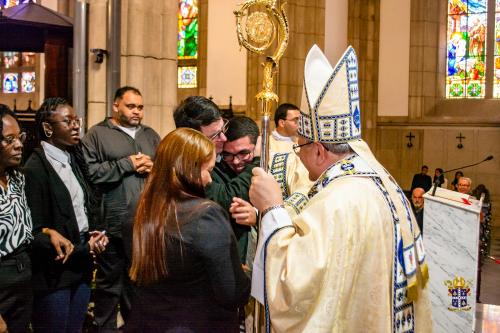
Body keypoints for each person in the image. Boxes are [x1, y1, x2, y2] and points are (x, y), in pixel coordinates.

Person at [248, 45, 432, 331]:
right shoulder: (382, 180)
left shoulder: (338, 201)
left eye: (300, 148)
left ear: (319, 150)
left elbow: (294, 286)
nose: (298, 155)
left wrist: (271, 209)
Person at [126, 128, 250, 332]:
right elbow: (232, 294)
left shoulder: (137, 206)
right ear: (188, 169)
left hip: (146, 322)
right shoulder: (205, 214)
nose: (210, 180)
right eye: (207, 171)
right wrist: (243, 274)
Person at [23, 98, 108, 332]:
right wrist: (83, 248)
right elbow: (36, 231)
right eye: (68, 121)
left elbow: (84, 207)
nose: (75, 126)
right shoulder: (35, 169)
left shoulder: (73, 159)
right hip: (53, 275)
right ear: (48, 128)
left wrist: (96, 234)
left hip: (79, 266)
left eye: (76, 120)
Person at [81, 86, 161, 331]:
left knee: (137, 284)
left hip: (145, 224)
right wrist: (126, 164)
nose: (137, 111)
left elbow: (165, 171)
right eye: (131, 106)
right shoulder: (97, 134)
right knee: (109, 286)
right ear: (115, 106)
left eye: (140, 107)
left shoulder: (150, 135)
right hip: (113, 223)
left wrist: (153, 169)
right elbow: (89, 173)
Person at [173, 96, 260, 218]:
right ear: (193, 139)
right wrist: (257, 161)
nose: (224, 138)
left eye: (223, 128)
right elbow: (228, 199)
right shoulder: (190, 166)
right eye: (215, 135)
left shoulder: (217, 154)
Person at [0, 104, 33, 333]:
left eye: (19, 137)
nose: (19, 144)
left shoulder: (17, 178)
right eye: (9, 139)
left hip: (22, 275)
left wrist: (47, 232)